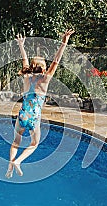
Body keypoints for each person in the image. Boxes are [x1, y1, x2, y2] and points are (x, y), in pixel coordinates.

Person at [5, 29, 75, 178]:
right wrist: (64, 42)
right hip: (34, 117)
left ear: (32, 66)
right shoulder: (46, 78)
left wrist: (21, 45)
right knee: (34, 144)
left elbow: (24, 61)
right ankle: (18, 161)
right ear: (44, 68)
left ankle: (10, 167)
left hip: (23, 114)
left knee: (15, 142)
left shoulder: (27, 77)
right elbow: (56, 60)